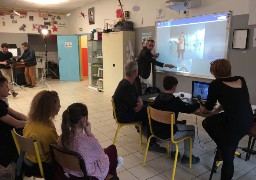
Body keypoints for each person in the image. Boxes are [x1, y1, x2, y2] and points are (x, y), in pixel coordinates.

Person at [200, 59, 254, 180]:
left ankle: (224, 146)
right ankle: (224, 145)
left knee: (228, 158)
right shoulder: (241, 79)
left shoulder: (216, 84)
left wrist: (204, 109)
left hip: (234, 124)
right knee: (210, 122)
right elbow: (227, 100)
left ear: (214, 72)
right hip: (248, 119)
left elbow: (207, 108)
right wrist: (214, 112)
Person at [113, 61, 166, 152]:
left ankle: (149, 133)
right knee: (150, 110)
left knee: (150, 105)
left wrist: (141, 102)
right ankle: (152, 143)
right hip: (124, 116)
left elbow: (137, 97)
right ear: (134, 72)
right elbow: (136, 107)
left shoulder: (127, 82)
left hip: (125, 111)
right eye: (137, 70)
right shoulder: (126, 86)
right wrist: (141, 103)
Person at [59, 103, 122, 180]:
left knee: (110, 154)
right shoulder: (88, 141)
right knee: (112, 149)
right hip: (88, 176)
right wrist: (89, 133)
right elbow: (102, 157)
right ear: (84, 119)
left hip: (71, 173)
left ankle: (112, 172)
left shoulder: (62, 137)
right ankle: (111, 175)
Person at [153, 75, 200, 164]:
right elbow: (189, 109)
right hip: (169, 133)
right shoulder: (175, 101)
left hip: (156, 131)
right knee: (191, 129)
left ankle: (173, 153)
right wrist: (198, 104)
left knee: (174, 124)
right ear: (174, 86)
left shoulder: (157, 98)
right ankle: (187, 156)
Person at [22, 90, 60, 179]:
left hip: (27, 159)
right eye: (58, 105)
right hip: (41, 166)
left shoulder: (30, 122)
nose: (60, 106)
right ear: (49, 109)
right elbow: (56, 149)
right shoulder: (47, 131)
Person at [0, 76, 27, 167]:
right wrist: (34, 123)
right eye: (6, 87)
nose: (9, 89)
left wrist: (31, 119)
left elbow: (17, 114)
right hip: (4, 139)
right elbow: (17, 124)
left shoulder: (2, 103)